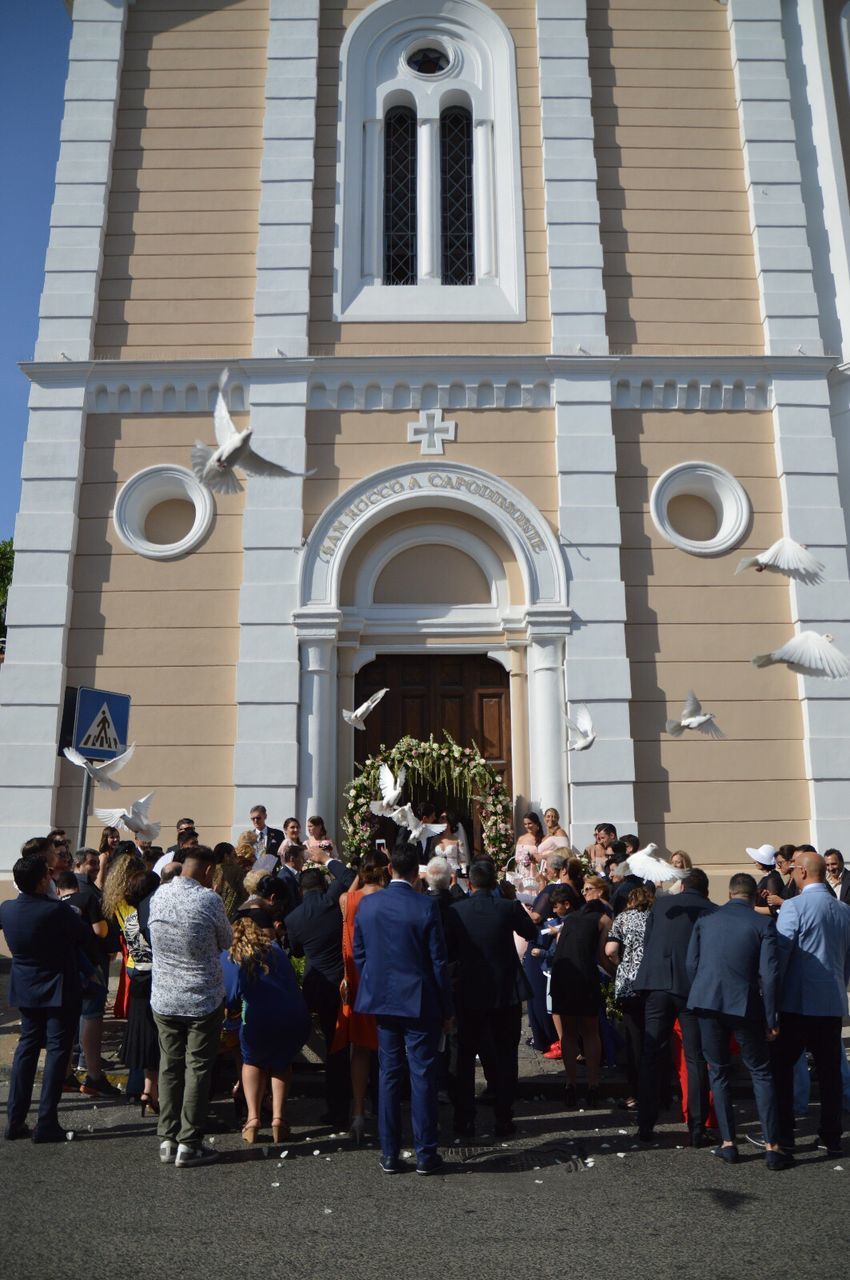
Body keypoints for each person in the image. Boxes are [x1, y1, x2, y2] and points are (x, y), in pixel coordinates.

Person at [353, 839, 454, 1175]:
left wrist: (373, 980)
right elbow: (439, 962)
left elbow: (360, 954)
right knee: (422, 1075)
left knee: (389, 1075)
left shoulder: (368, 905)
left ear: (389, 868)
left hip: (383, 998)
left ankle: (389, 1153)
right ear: (416, 873)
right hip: (419, 999)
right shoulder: (425, 906)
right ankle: (425, 1153)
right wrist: (447, 1007)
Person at [686, 873, 788, 1170]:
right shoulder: (763, 923)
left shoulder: (706, 920)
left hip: (707, 1000)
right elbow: (770, 975)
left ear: (729, 893)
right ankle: (772, 1146)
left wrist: (703, 988)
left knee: (718, 1071)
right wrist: (772, 1017)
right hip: (744, 1003)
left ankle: (728, 1143)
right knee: (760, 1071)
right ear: (756, 894)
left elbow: (691, 964)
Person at [1, 850, 100, 1142]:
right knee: (57, 1050)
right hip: (58, 985)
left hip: (26, 985)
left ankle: (15, 1119)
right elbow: (85, 937)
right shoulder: (55, 910)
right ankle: (46, 1121)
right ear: (42, 881)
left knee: (27, 1048)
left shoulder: (7, 908)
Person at [148, 843, 232, 1168]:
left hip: (165, 996)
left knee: (170, 1065)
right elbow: (226, 941)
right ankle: (190, 1142)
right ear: (208, 871)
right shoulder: (209, 899)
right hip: (201, 997)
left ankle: (167, 1138)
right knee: (197, 1067)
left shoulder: (160, 895)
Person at [446, 860, 537, 1136]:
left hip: (469, 991)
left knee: (464, 1057)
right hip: (503, 990)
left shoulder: (455, 911)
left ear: (470, 884)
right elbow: (531, 932)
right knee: (505, 1056)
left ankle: (465, 1119)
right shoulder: (507, 907)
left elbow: (449, 949)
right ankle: (503, 1117)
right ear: (495, 884)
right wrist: (512, 901)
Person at [771, 849, 850, 1157]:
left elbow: (782, 953)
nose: (791, 875)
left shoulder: (794, 906)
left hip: (797, 1002)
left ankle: (785, 1134)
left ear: (802, 872)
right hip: (831, 1001)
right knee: (830, 1072)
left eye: (792, 871)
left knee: (782, 1067)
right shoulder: (844, 910)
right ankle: (831, 1135)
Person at [632, 867, 717, 1144]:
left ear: (681, 886)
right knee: (695, 1058)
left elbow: (648, 943)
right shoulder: (711, 910)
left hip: (656, 983)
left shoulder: (661, 904)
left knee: (651, 1054)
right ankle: (696, 1127)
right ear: (704, 889)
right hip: (690, 988)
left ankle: (645, 1124)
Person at [221, 908, 310, 1144]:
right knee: (281, 1063)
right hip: (295, 1016)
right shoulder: (277, 950)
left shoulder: (232, 956)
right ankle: (279, 1119)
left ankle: (253, 1120)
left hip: (258, 1019)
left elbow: (229, 997)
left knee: (252, 1061)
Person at [285, 862, 355, 1130]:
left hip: (316, 985)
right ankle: (344, 1106)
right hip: (342, 983)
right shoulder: (331, 903)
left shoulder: (294, 918)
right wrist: (328, 860)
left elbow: (298, 952)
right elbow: (348, 876)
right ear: (323, 886)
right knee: (341, 1048)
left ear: (302, 892)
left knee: (326, 1045)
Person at [331, 850, 388, 1140]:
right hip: (385, 977)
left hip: (356, 979)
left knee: (360, 1049)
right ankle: (385, 1109)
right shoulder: (388, 898)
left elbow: (348, 898)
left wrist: (356, 874)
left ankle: (357, 1113)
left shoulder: (348, 900)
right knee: (387, 1046)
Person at [55, 871, 119, 1098]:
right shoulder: (87, 899)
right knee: (92, 1018)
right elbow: (100, 931)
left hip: (64, 971)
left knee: (68, 1022)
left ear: (58, 889)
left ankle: (64, 1075)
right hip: (89, 967)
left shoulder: (54, 905)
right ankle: (94, 1076)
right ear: (77, 887)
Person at [547, 883, 611, 1106]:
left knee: (569, 1034)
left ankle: (570, 1083)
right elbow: (604, 956)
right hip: (585, 976)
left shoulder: (569, 921)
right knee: (591, 1032)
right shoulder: (604, 920)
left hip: (562, 976)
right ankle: (593, 1084)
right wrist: (614, 974)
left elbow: (559, 945)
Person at [606, 883, 655, 1109]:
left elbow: (610, 950)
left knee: (634, 1039)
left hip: (628, 985)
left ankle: (635, 1093)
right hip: (653, 983)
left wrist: (621, 965)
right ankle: (656, 1091)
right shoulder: (657, 918)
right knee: (654, 1038)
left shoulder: (623, 919)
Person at [119, 869, 161, 1116]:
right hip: (154, 978)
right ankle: (151, 1090)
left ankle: (147, 1089)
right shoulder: (150, 918)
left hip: (138, 979)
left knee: (145, 1039)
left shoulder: (131, 918)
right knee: (156, 1039)